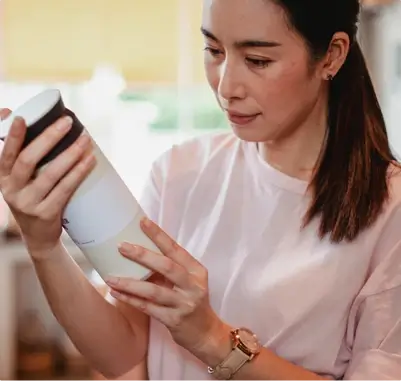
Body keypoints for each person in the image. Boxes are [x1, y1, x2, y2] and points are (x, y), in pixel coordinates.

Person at [1, 0, 401, 380]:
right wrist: (44, 245)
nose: (226, 86)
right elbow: (119, 352)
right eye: (213, 50)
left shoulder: (390, 208)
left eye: (258, 60)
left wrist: (211, 338)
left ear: (331, 55)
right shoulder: (179, 172)